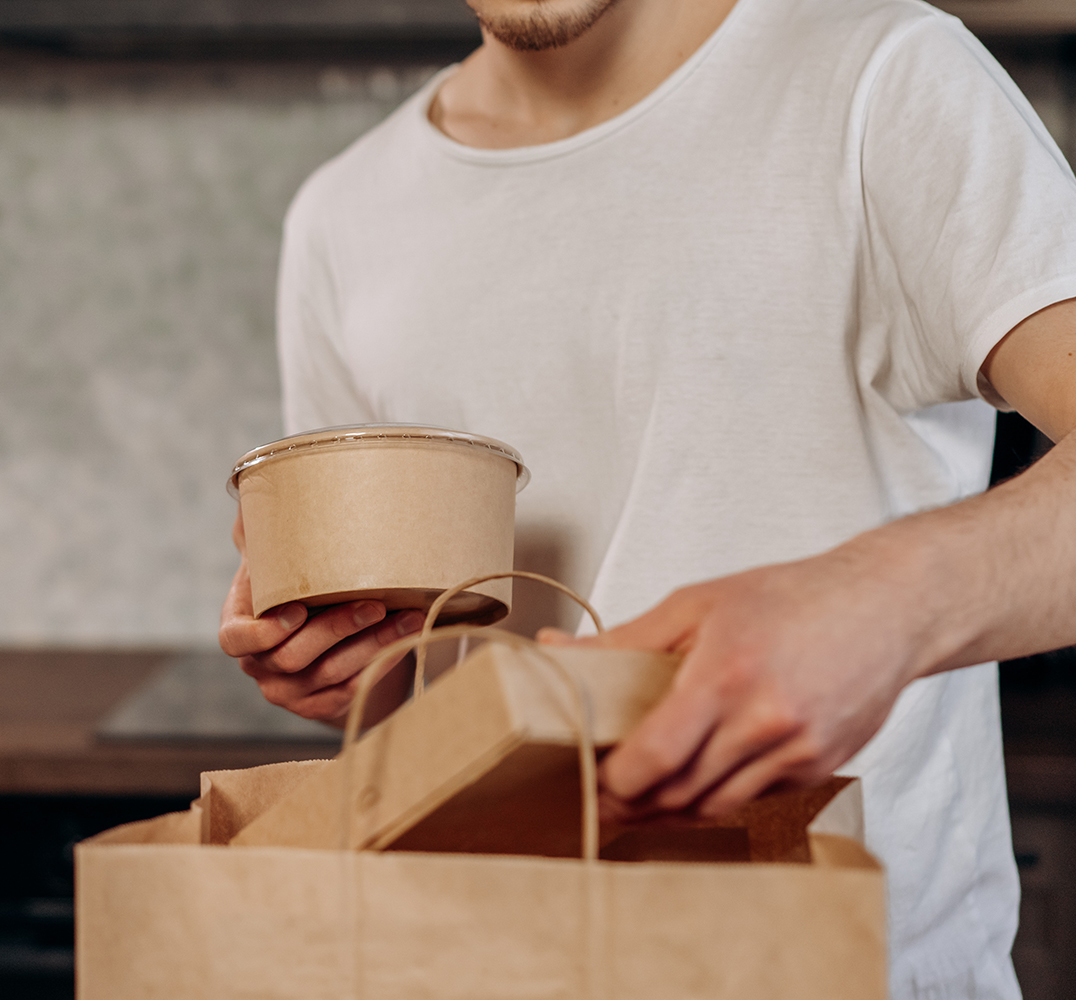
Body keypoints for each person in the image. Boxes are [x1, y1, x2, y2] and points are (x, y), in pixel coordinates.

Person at [219, 0, 1076, 995]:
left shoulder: (883, 78)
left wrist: (882, 606)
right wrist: (354, 667)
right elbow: (415, 701)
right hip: (495, 965)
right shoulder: (343, 214)